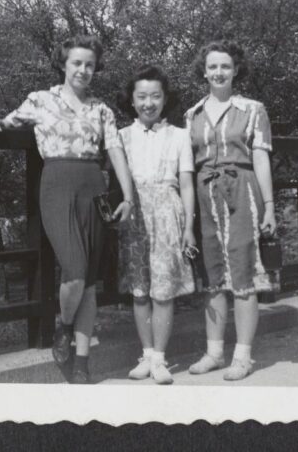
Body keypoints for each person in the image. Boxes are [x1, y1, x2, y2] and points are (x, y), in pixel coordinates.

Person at [0, 35, 134, 385]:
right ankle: (62, 325)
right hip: (57, 186)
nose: (83, 69)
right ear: (63, 63)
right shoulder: (40, 100)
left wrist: (129, 195)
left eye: (90, 64)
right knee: (75, 271)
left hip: (94, 188)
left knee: (90, 283)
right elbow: (4, 124)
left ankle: (81, 363)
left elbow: (116, 151)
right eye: (77, 62)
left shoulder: (101, 109)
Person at [185, 40, 276, 381]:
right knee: (212, 276)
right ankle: (214, 353)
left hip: (242, 192)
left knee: (242, 271)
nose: (218, 72)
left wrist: (269, 206)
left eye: (225, 66)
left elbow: (262, 158)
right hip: (206, 194)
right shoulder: (191, 114)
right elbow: (188, 166)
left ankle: (243, 356)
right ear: (204, 71)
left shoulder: (253, 109)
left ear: (236, 70)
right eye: (212, 67)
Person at [115, 65, 197, 385]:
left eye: (155, 96)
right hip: (135, 214)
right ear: (132, 101)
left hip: (167, 213)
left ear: (164, 99)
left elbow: (187, 184)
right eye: (142, 97)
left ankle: (161, 359)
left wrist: (188, 227)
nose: (149, 103)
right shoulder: (121, 136)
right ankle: (146, 354)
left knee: (163, 290)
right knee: (139, 289)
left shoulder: (179, 136)